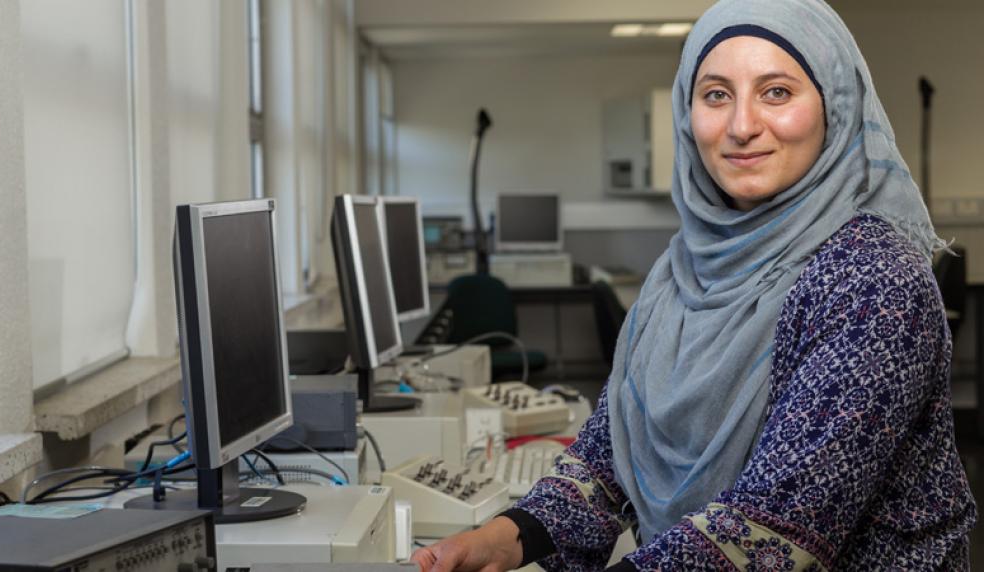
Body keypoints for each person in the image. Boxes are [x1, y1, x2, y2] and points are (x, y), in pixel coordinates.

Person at [411, 0, 977, 570]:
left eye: (776, 92)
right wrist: (507, 536)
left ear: (835, 105)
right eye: (715, 95)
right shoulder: (680, 270)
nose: (741, 126)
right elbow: (610, 456)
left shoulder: (873, 279)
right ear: (688, 112)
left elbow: (769, 532)